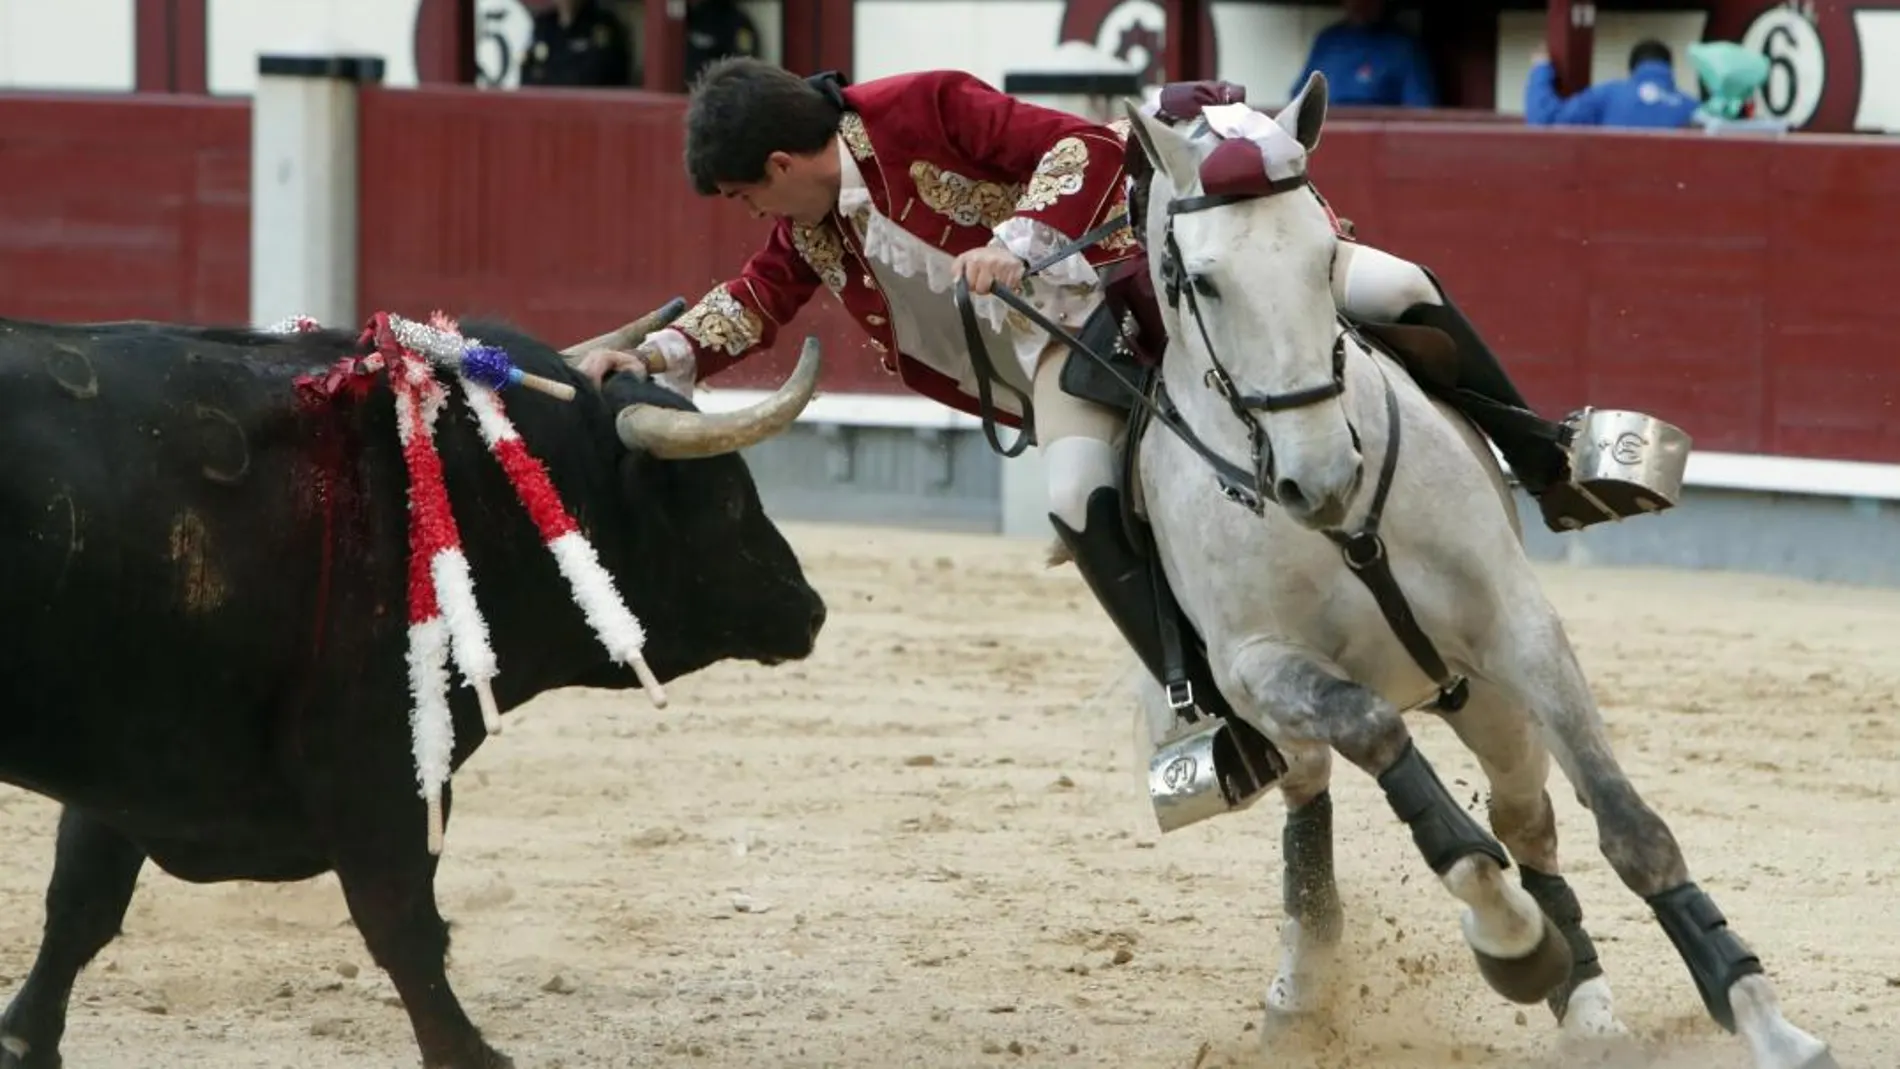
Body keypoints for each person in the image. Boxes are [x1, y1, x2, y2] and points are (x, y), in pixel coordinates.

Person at [572, 60, 1606, 725]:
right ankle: (1197, 701)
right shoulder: (807, 221)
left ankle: (1546, 459)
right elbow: (759, 295)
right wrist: (661, 356)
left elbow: (1086, 149)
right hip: (1077, 351)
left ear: (782, 159)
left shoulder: (922, 106)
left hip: (1154, 278)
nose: (756, 213)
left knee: (1398, 289)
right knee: (1075, 498)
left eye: (749, 191)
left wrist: (1015, 239)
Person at [1291, 0, 1437, 108]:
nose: (1360, 3)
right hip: (1328, 134)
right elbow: (1299, 99)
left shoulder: (1403, 47)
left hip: (1378, 138)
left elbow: (1420, 109)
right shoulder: (1327, 41)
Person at [1524, 38, 1698, 128]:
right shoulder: (1693, 108)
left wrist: (1541, 69)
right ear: (1670, 69)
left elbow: (1545, 121)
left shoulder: (1608, 95)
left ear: (1632, 69)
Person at [520, 0, 632, 89]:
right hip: (543, 107)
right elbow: (526, 73)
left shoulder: (603, 27)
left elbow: (592, 76)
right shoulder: (543, 24)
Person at [685, 0, 762, 85]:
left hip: (723, 89)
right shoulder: (692, 18)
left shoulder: (739, 22)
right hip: (688, 88)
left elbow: (746, 60)